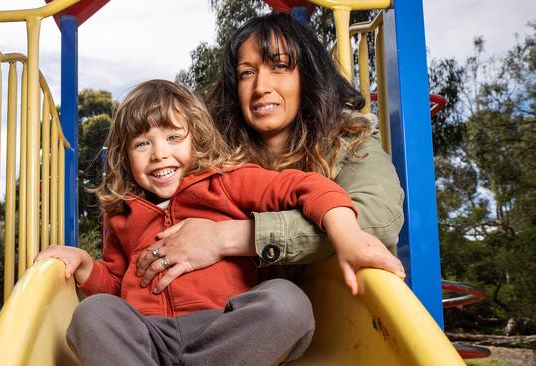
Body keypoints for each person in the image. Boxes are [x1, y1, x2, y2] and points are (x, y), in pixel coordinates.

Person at [36, 79, 399, 365]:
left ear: (198, 138)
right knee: (94, 313)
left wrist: (347, 233)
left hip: (224, 331)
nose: (159, 152)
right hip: (148, 339)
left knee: (288, 303)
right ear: (124, 155)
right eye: (142, 144)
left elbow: (305, 186)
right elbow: (116, 285)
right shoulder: (122, 214)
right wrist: (85, 266)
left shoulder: (226, 181)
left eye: (174, 137)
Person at [135, 12, 405, 297]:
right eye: (247, 73)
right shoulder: (212, 157)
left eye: (279, 66)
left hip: (337, 315)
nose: (261, 88)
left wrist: (225, 237)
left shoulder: (350, 141)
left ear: (307, 76)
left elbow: (376, 219)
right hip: (229, 316)